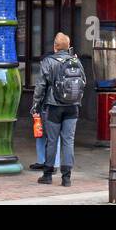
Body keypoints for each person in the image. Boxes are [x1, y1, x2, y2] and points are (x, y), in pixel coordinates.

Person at [30, 32, 86, 186]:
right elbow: (84, 82)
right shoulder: (76, 61)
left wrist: (36, 104)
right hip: (73, 107)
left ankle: (47, 176)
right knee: (68, 141)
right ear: (68, 47)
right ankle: (66, 178)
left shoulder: (48, 62)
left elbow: (40, 86)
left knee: (52, 141)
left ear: (55, 46)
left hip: (53, 106)